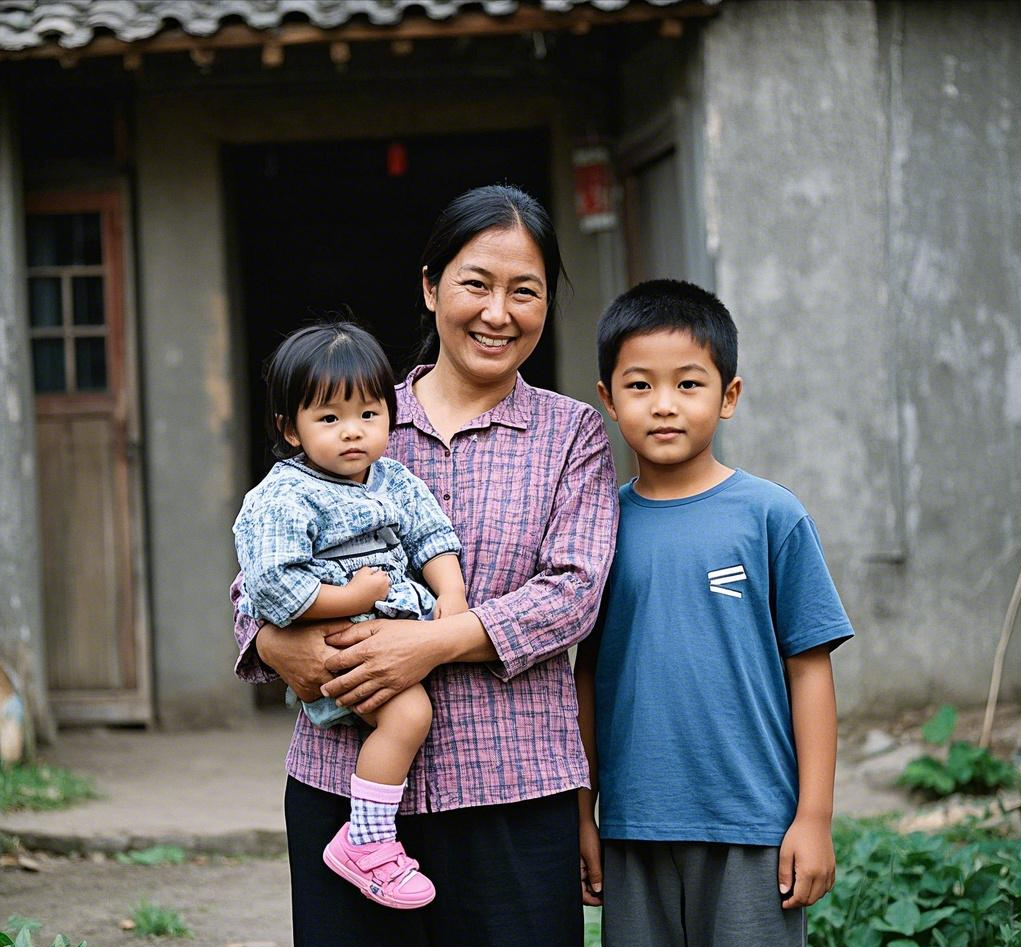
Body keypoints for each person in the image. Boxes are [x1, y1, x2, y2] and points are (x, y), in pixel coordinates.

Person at [231, 185, 619, 947]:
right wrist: (276, 644)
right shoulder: (347, 417)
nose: (497, 312)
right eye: (475, 283)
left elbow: (573, 593)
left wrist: (431, 640)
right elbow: (255, 583)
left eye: (524, 291)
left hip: (512, 786)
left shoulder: (571, 434)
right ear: (430, 286)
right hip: (341, 784)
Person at [575, 279, 854, 947]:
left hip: (751, 823)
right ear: (608, 399)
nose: (664, 405)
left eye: (688, 384)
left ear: (728, 396)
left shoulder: (769, 516)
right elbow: (584, 677)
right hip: (633, 824)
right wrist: (582, 814)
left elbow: (808, 669)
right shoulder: (596, 524)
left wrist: (812, 816)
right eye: (639, 386)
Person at [233, 321, 469, 909]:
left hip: (394, 632)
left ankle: (371, 836)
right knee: (409, 714)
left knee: (413, 711)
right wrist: (352, 598)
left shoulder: (393, 479)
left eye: (369, 414)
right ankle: (365, 839)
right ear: (291, 430)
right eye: (329, 419)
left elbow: (432, 534)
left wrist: (453, 599)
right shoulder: (282, 496)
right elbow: (273, 586)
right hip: (337, 643)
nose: (353, 433)